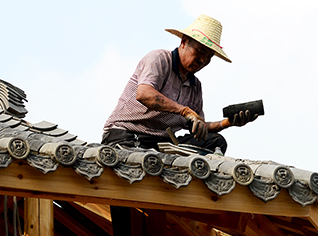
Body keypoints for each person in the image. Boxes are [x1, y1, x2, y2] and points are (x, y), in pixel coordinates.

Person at [101, 14, 257, 153]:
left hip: (161, 143)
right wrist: (184, 111)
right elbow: (144, 94)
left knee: (216, 141)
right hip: (127, 134)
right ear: (184, 42)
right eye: (200, 52)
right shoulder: (159, 59)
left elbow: (197, 126)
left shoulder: (195, 86)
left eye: (209, 57)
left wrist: (228, 122)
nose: (203, 60)